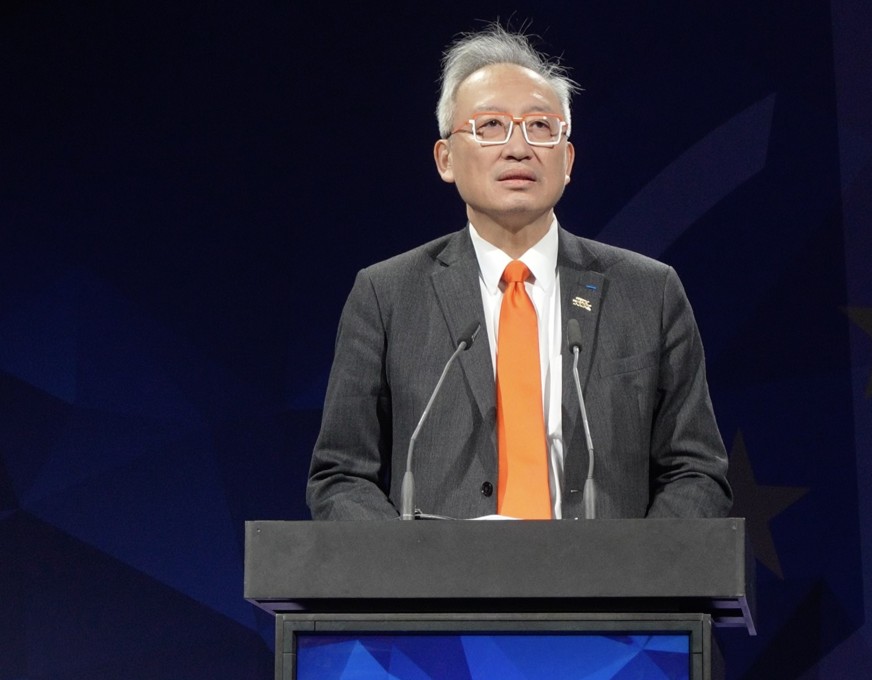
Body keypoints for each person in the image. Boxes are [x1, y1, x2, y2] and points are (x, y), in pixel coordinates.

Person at [306, 24, 731, 520]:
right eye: (490, 125)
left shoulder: (648, 292)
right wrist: (414, 561)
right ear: (446, 158)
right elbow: (341, 476)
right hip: (443, 571)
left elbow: (696, 471)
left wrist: (635, 565)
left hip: (606, 572)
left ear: (566, 159)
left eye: (540, 127)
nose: (518, 148)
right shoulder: (387, 296)